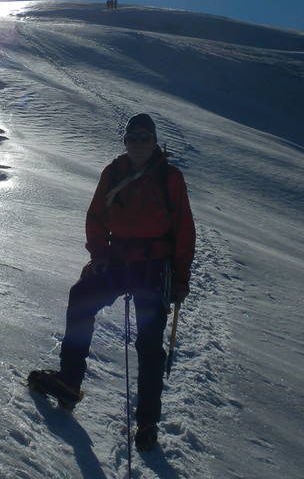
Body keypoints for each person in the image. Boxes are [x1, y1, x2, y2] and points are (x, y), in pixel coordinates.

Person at [34, 113, 196, 451]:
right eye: (132, 138)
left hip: (154, 266)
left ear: (154, 142)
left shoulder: (170, 177)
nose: (138, 144)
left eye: (144, 138)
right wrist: (99, 253)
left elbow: (183, 229)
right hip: (120, 260)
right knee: (81, 299)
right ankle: (70, 380)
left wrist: (181, 277)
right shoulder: (114, 172)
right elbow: (96, 216)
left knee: (149, 343)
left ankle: (147, 420)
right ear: (125, 141)